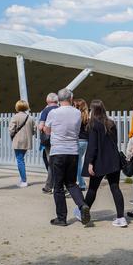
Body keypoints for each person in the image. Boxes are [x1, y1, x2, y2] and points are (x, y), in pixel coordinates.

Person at [43, 88, 90, 226]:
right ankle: (82, 205)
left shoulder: (53, 112)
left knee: (58, 186)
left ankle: (61, 217)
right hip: (73, 151)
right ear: (71, 98)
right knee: (71, 183)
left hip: (58, 151)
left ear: (58, 99)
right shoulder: (76, 113)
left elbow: (47, 129)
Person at [79, 100, 127, 227]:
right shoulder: (110, 123)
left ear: (93, 110)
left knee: (93, 189)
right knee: (115, 188)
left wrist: (90, 162)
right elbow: (114, 142)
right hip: (113, 159)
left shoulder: (93, 124)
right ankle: (121, 217)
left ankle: (83, 212)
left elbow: (93, 146)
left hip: (99, 160)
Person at [8, 100, 35, 188]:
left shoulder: (15, 117)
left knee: (20, 160)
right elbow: (33, 131)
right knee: (21, 159)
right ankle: (22, 179)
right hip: (27, 141)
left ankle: (24, 180)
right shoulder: (30, 118)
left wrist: (12, 135)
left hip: (18, 141)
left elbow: (11, 130)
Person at [38, 93, 59, 194]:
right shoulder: (60, 109)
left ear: (48, 101)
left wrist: (40, 127)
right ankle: (58, 185)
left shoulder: (46, 110)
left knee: (51, 163)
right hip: (60, 140)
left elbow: (41, 126)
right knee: (59, 163)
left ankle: (49, 186)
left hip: (49, 141)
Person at [73, 98, 89, 191]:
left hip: (77, 140)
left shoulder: (76, 116)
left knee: (78, 163)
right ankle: (80, 182)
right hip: (85, 141)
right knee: (79, 162)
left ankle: (81, 183)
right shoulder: (87, 116)